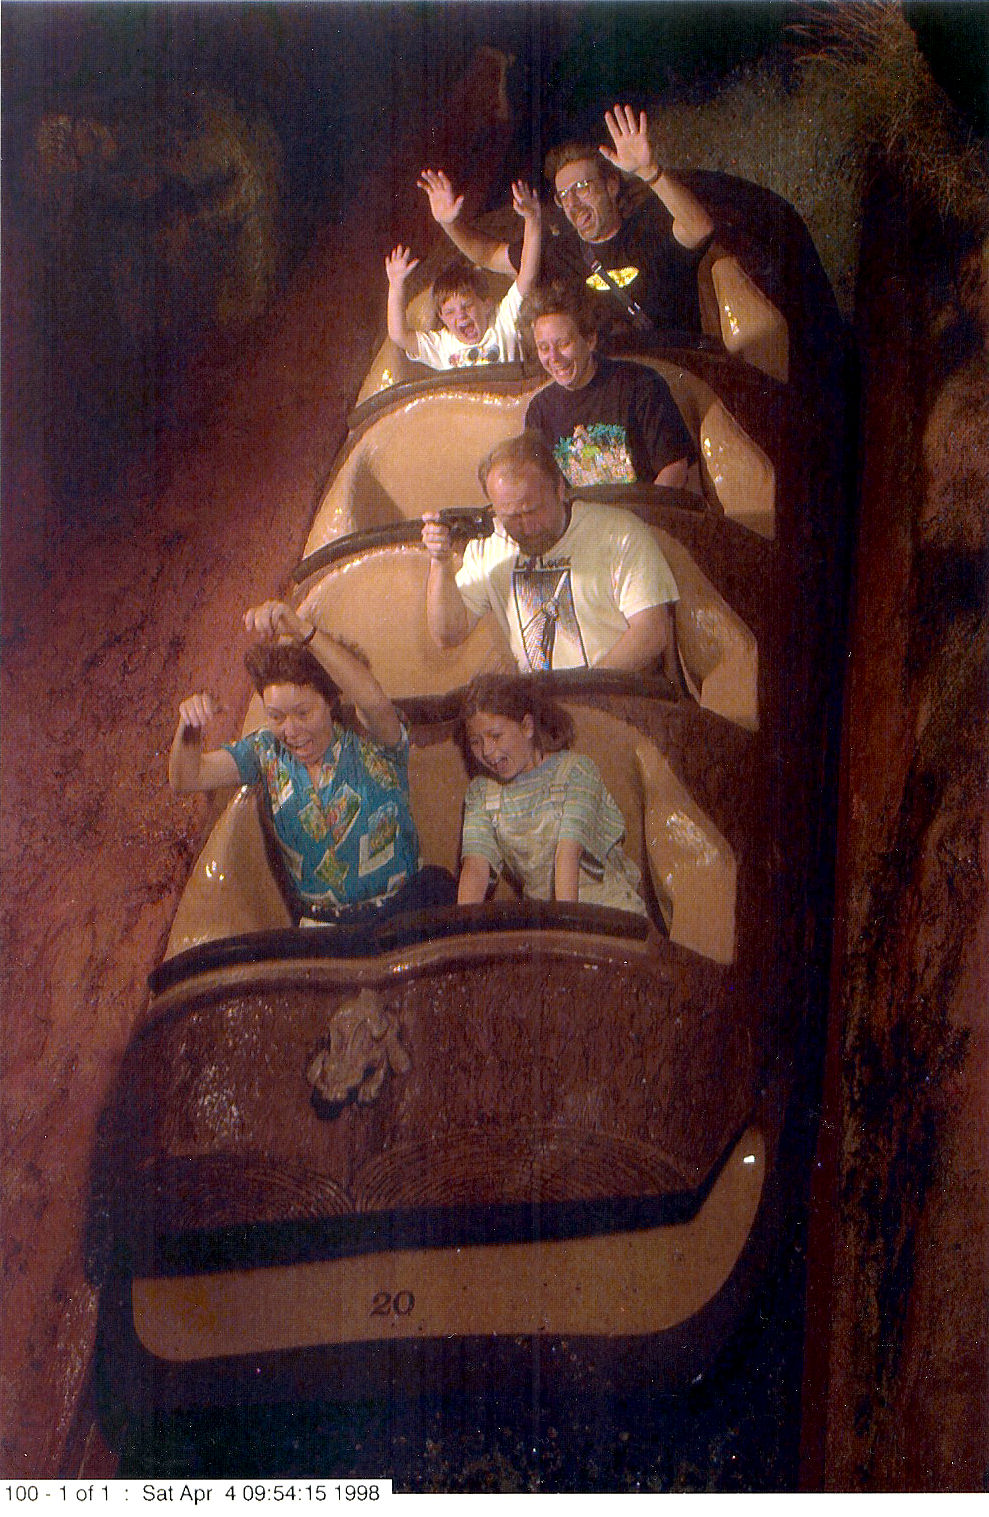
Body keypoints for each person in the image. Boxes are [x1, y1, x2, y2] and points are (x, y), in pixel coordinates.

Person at [168, 600, 455, 925]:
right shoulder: (265, 751)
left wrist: (302, 630)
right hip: (328, 929)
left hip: (407, 908)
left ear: (331, 701)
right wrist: (189, 726)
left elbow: (369, 696)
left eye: (303, 713)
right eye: (276, 716)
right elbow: (187, 778)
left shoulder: (373, 737)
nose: (290, 731)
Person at [417, 104, 714, 342]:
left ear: (611, 185)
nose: (572, 202)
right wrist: (450, 223)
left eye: (582, 187)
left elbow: (699, 227)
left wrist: (651, 172)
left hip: (669, 374)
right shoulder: (557, 253)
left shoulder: (649, 227)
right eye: (563, 195)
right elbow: (487, 254)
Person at [421, 432, 678, 675]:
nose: (528, 526)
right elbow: (448, 635)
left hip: (615, 695)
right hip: (539, 707)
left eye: (533, 510)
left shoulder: (619, 533)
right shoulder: (490, 545)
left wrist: (581, 695)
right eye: (512, 516)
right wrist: (440, 561)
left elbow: (651, 633)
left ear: (559, 488)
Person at [456, 673, 647, 917]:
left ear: (527, 726)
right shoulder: (481, 793)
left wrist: (567, 932)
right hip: (544, 920)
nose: (487, 751)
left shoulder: (576, 771)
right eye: (475, 741)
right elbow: (476, 866)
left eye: (496, 736)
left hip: (607, 913)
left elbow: (567, 854)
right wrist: (465, 927)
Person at [521, 280, 698, 490]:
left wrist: (632, 521)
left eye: (563, 344)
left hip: (642, 517)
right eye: (543, 348)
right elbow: (540, 487)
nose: (554, 358)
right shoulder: (539, 410)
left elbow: (675, 469)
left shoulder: (641, 385)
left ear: (590, 340)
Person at [384, 179, 541, 369]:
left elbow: (528, 275)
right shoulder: (442, 346)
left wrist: (532, 219)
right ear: (441, 318)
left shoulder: (503, 322)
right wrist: (396, 284)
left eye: (466, 305)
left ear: (487, 305)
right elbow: (398, 335)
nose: (460, 316)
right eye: (450, 312)